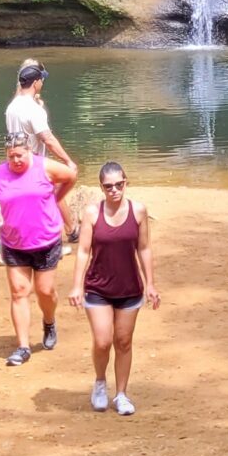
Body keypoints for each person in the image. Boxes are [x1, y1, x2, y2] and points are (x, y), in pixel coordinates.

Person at [68, 161, 158, 416]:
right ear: (102, 187)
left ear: (126, 183)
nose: (115, 190)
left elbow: (144, 248)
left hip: (129, 286)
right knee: (103, 340)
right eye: (109, 187)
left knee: (124, 341)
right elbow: (83, 250)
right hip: (98, 286)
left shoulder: (138, 211)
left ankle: (121, 394)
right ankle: (99, 382)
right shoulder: (92, 213)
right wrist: (76, 286)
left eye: (119, 185)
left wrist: (150, 283)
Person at [0, 130, 77, 366]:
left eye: (20, 155)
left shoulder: (45, 167)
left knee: (45, 291)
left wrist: (55, 198)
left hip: (45, 240)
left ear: (29, 152)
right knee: (19, 292)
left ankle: (49, 321)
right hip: (14, 242)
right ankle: (23, 347)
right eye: (11, 156)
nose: (15, 160)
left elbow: (70, 175)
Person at [5, 59, 81, 248]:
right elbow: (48, 138)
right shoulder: (33, 110)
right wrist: (67, 160)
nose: (42, 83)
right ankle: (65, 231)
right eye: (41, 79)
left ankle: (71, 230)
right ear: (36, 82)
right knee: (63, 181)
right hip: (34, 161)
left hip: (16, 161)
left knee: (50, 189)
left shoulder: (12, 107)